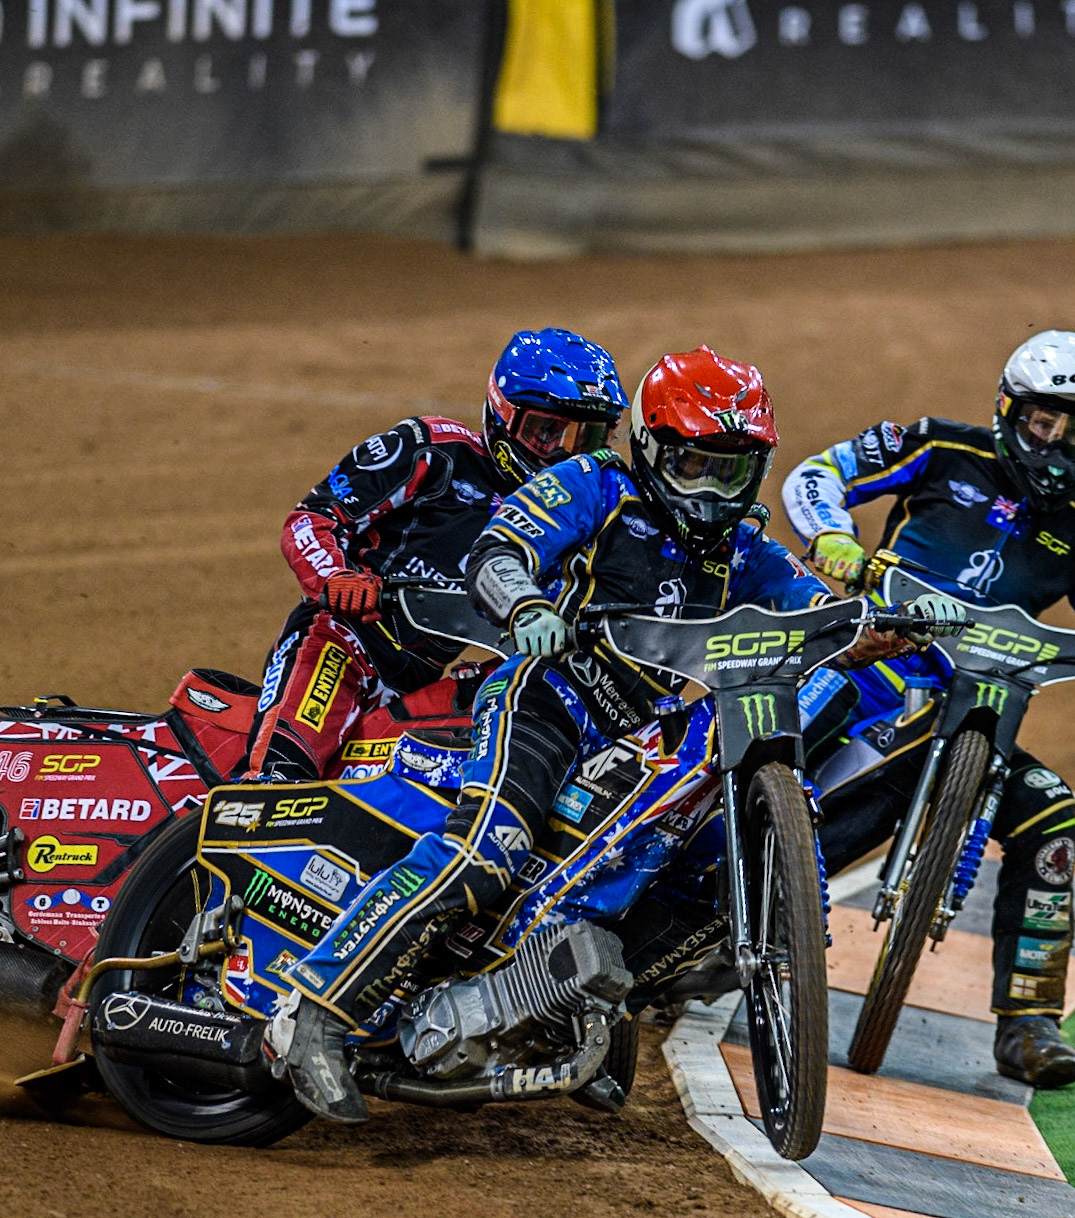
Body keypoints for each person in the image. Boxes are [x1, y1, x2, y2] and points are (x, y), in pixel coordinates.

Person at [270, 346, 937, 1124]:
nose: (712, 489)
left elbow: (810, 621)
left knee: (636, 878)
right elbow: (498, 547)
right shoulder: (592, 485)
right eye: (694, 463)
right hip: (543, 702)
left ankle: (551, 1017)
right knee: (487, 851)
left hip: (633, 737)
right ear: (652, 447)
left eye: (732, 470)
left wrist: (885, 627)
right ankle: (311, 1012)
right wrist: (524, 607)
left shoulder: (743, 550)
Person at [780, 330, 1075, 1089]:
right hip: (866, 669)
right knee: (773, 748)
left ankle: (1029, 1021)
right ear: (1010, 410)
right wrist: (833, 541)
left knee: (1048, 812)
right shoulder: (938, 448)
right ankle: (699, 893)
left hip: (977, 713)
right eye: (1043, 421)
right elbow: (819, 472)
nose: (1055, 443)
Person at [244, 328, 628, 781]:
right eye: (547, 431)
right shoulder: (435, 449)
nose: (563, 455)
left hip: (427, 678)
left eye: (588, 440)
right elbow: (312, 519)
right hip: (343, 643)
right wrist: (335, 579)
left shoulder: (578, 519)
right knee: (280, 778)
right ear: (503, 415)